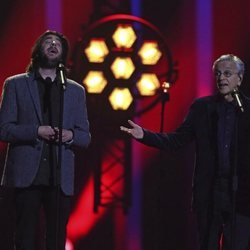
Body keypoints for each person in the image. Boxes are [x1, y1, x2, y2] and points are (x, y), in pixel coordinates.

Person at [120, 54, 250, 250]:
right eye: (218, 74)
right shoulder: (202, 107)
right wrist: (145, 135)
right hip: (209, 193)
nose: (221, 78)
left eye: (228, 73)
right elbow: (177, 140)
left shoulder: (248, 110)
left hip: (242, 195)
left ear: (239, 78)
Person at [0, 30, 91, 250]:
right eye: (48, 42)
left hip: (59, 178)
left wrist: (70, 135)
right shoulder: (16, 85)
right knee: (24, 238)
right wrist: (37, 131)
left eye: (58, 44)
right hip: (26, 176)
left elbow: (85, 137)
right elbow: (4, 129)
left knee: (56, 240)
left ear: (63, 54)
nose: (53, 45)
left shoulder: (75, 91)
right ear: (38, 50)